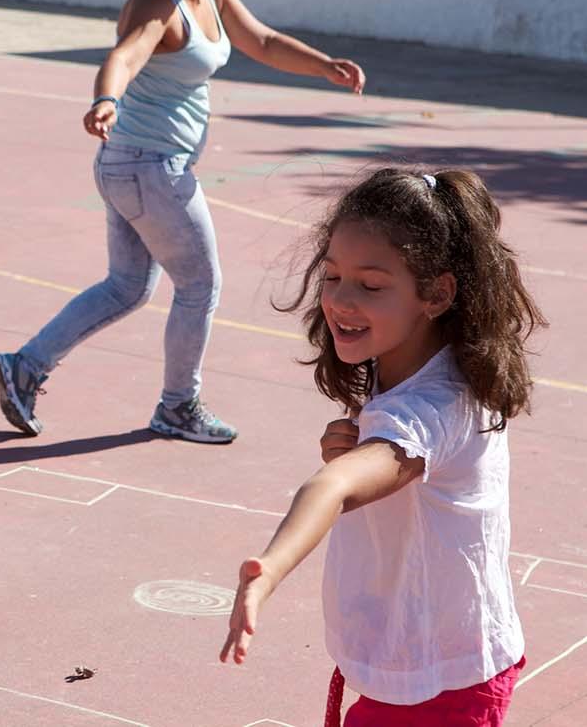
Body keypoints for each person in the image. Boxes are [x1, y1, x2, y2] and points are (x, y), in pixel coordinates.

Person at [0, 0, 366, 443]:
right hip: (150, 169)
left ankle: (25, 367)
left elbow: (261, 40)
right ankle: (178, 406)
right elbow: (126, 53)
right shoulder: (156, 2)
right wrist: (105, 99)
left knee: (127, 287)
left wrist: (323, 66)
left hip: (129, 168)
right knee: (200, 285)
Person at [219, 168, 544, 725]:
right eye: (332, 276)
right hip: (432, 660)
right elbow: (376, 470)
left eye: (370, 286)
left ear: (437, 294)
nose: (342, 300)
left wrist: (268, 570)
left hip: (444, 687)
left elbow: (335, 487)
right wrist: (359, 448)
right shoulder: (410, 365)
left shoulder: (431, 405)